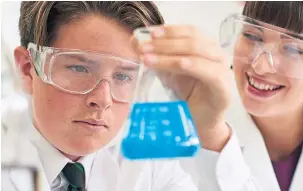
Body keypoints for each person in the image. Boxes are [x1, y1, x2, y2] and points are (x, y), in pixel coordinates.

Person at [8, 1, 199, 191]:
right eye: (79, 68)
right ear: (27, 69)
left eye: (123, 76)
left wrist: (212, 129)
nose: (103, 100)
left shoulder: (151, 163)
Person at [134, 1, 303, 191]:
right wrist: (212, 135)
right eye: (251, 36)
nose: (260, 66)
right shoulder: (188, 128)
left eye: (293, 50)